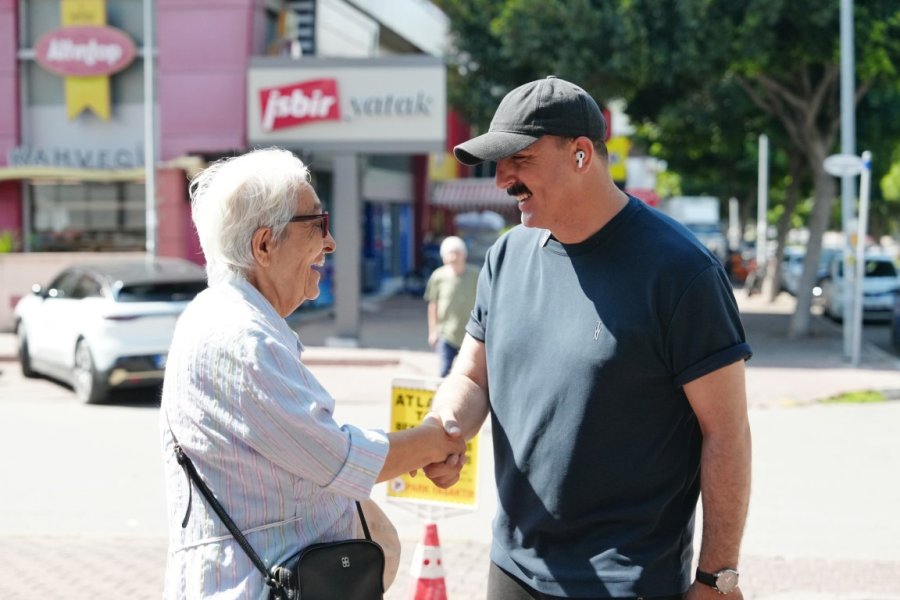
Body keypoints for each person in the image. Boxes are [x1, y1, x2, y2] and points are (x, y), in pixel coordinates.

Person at [422, 76, 753, 599]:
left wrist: (717, 577)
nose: (501, 179)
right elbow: (470, 374)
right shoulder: (507, 258)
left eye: (519, 159)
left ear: (580, 154)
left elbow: (728, 434)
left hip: (628, 581)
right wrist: (445, 427)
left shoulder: (680, 273)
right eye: (497, 163)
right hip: (512, 569)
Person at [159, 147, 465, 599]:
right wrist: (435, 440)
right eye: (317, 224)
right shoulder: (242, 338)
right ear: (264, 244)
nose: (330, 242)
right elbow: (337, 459)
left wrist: (415, 451)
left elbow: (306, 446)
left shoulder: (235, 321)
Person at [424, 235, 480, 376]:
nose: (454, 257)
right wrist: (433, 331)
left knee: (469, 373)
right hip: (446, 333)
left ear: (464, 254)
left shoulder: (475, 275)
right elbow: (433, 305)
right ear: (444, 256)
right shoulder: (438, 276)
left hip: (470, 333)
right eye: (450, 253)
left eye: (457, 252)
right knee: (444, 371)